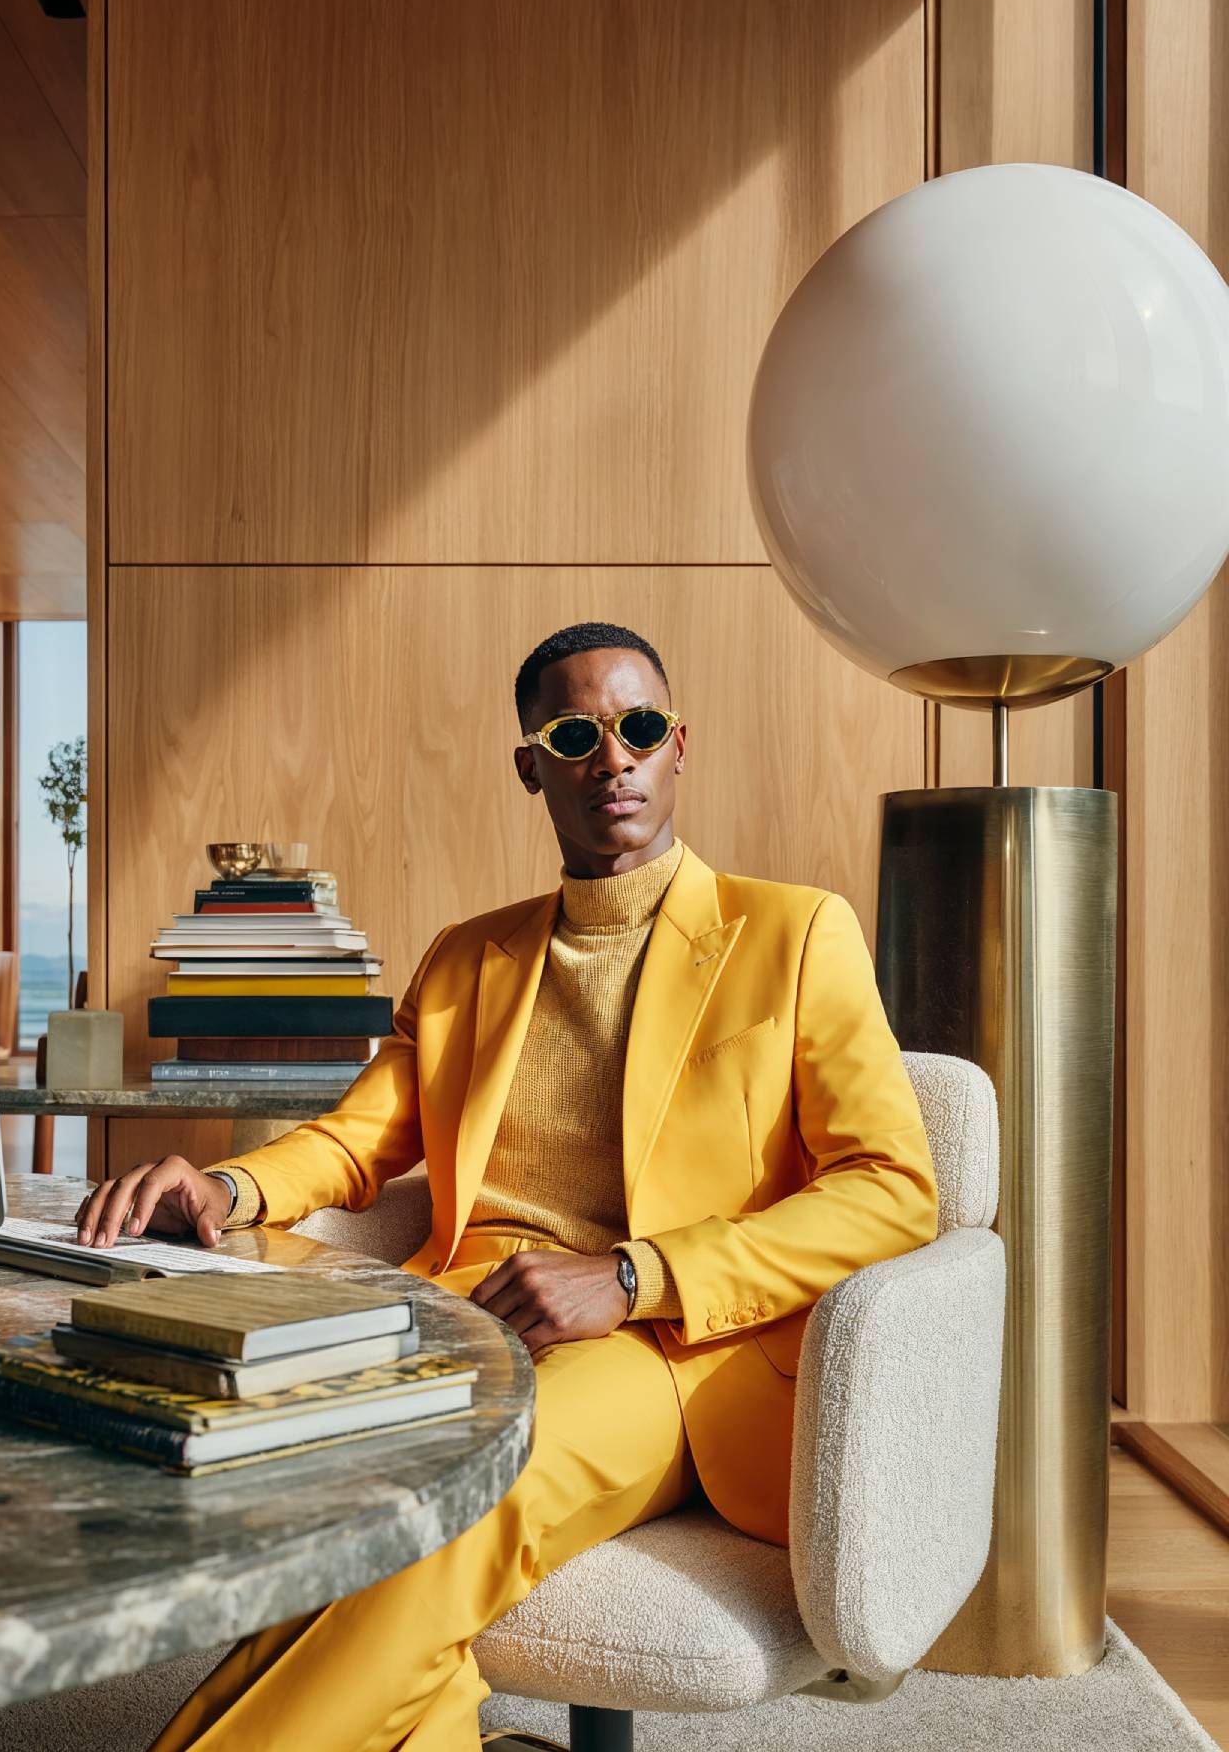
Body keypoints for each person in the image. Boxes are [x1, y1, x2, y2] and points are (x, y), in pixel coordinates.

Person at [74, 620, 939, 1752]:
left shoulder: (795, 933)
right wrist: (228, 1189)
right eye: (575, 733)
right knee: (321, 1527)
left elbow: (891, 1187)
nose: (611, 759)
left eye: (636, 729)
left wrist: (637, 1275)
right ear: (530, 763)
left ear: (679, 746)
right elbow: (355, 1145)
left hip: (665, 1354)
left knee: (426, 1529)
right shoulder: (464, 959)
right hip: (455, 1325)